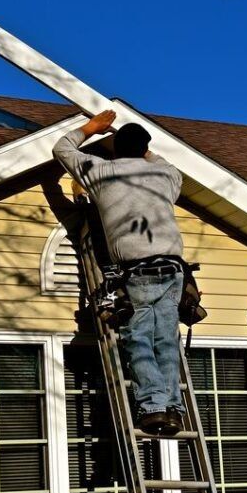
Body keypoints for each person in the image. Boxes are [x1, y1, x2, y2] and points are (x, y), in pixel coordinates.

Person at [53, 110, 185, 435]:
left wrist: (91, 128)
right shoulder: (165, 176)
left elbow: (61, 149)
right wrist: (144, 150)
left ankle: (154, 406)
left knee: (139, 337)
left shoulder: (102, 172)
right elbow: (165, 163)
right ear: (144, 148)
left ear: (114, 149)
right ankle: (172, 408)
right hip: (172, 268)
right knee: (166, 339)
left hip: (137, 267)